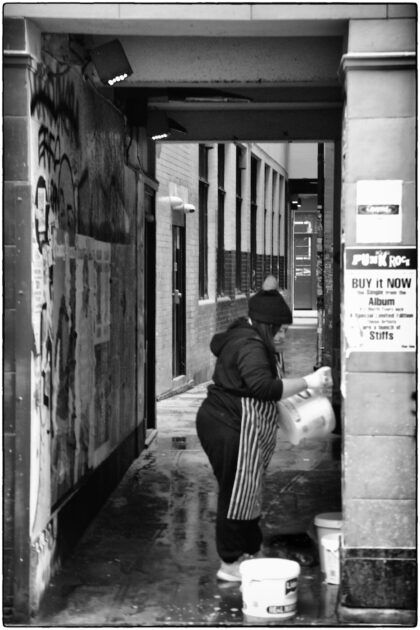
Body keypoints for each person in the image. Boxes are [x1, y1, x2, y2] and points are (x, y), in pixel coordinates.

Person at [196, 276, 332, 582]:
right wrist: (310, 382)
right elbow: (264, 387)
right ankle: (230, 563)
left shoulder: (248, 338)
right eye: (281, 329)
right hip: (230, 425)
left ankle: (247, 550)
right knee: (237, 491)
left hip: (227, 420)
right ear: (266, 326)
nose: (285, 335)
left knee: (245, 488)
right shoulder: (251, 346)